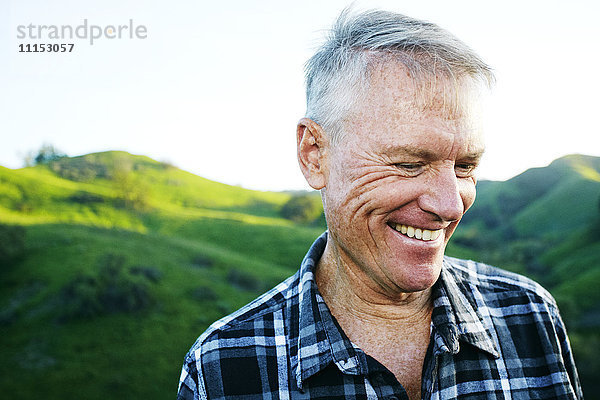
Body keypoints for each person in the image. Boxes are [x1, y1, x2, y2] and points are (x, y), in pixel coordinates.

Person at [178, 8, 583, 400]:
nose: (449, 205)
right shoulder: (224, 366)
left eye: (464, 166)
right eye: (409, 163)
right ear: (314, 154)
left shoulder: (530, 315)